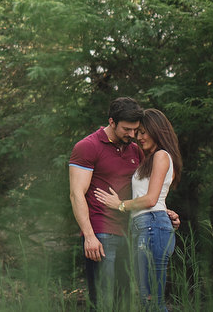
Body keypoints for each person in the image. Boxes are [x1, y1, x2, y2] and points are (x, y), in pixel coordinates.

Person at [95, 108, 183, 312]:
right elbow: (156, 196)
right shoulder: (150, 159)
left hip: (152, 227)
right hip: (148, 226)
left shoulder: (161, 155)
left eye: (144, 132)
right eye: (137, 132)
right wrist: (167, 212)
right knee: (148, 299)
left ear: (157, 131)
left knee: (152, 301)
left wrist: (120, 205)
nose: (139, 137)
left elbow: (151, 199)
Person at [69, 97, 146, 310]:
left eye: (135, 130)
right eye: (127, 129)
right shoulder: (87, 146)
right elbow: (76, 194)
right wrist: (89, 236)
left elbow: (144, 189)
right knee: (103, 301)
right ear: (111, 122)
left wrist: (163, 210)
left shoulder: (134, 150)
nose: (132, 135)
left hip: (129, 233)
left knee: (124, 302)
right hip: (101, 235)